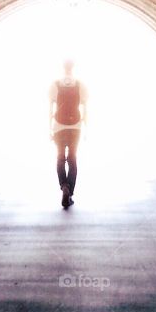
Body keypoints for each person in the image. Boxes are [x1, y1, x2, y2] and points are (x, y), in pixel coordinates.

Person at [49, 58, 87, 208]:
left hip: (58, 126)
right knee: (72, 159)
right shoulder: (79, 85)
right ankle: (69, 192)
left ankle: (63, 186)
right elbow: (85, 108)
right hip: (75, 126)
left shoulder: (55, 85)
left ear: (63, 68)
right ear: (73, 68)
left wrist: (49, 129)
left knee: (60, 158)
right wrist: (86, 128)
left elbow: (50, 109)